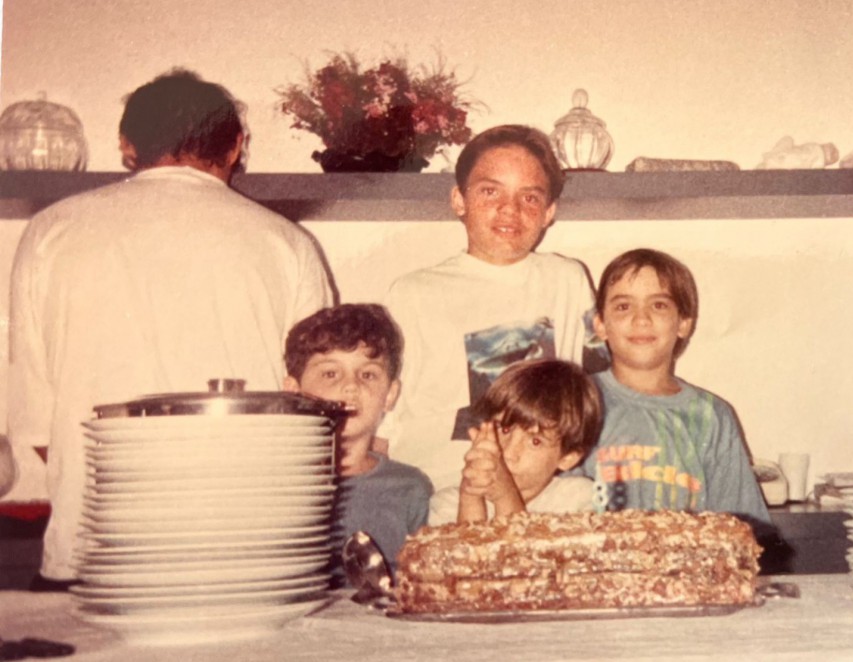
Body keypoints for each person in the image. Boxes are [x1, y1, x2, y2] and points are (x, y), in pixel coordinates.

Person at [7, 69, 334, 586]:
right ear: (235, 147)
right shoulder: (287, 243)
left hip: (98, 545)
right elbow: (316, 405)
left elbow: (35, 416)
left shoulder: (51, 230)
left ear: (126, 145)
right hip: (245, 548)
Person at [384, 124, 605, 491]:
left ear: (549, 212)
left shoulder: (567, 279)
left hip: (541, 493)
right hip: (440, 490)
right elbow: (386, 417)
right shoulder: (412, 293)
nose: (509, 209)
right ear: (460, 200)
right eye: (490, 191)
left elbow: (598, 391)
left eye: (529, 198)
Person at [583, 248, 770, 525]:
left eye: (658, 305)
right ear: (600, 324)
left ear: (683, 323)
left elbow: (744, 528)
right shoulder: (574, 403)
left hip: (687, 567)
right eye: (623, 306)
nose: (641, 319)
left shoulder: (711, 416)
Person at [282, 304, 431, 577]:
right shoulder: (274, 485)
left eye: (367, 375)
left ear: (390, 394)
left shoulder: (410, 488)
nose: (351, 386)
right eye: (330, 373)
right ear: (294, 392)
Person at [429, 359, 602, 525]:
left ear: (567, 458)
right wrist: (471, 497)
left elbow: (521, 554)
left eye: (535, 441)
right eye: (504, 430)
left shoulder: (579, 499)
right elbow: (462, 553)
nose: (509, 453)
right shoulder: (449, 503)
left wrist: (505, 495)